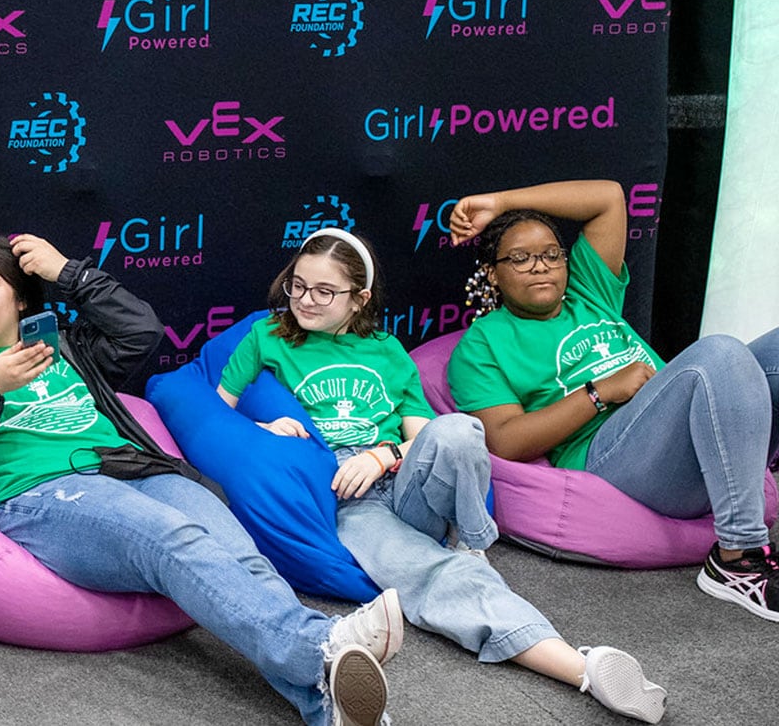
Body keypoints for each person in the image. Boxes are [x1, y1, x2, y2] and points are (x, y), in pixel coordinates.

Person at [0, 233, 402, 726]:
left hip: (132, 468)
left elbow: (141, 331)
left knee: (240, 553)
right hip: (38, 495)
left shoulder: (66, 350)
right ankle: (323, 643)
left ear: (22, 302)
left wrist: (65, 272)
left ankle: (324, 702)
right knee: (168, 537)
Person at [215, 228, 666, 723]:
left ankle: (474, 542)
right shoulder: (268, 337)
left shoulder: (386, 351)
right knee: (438, 576)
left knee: (459, 430)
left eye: (324, 292)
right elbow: (213, 418)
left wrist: (383, 455)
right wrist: (264, 426)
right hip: (347, 498)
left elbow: (424, 436)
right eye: (297, 286)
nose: (304, 300)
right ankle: (583, 668)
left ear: (359, 299)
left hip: (405, 482)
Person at [446, 180, 779, 621]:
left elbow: (607, 198)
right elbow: (505, 441)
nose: (540, 267)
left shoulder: (589, 294)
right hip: (614, 456)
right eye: (520, 258)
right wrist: (600, 392)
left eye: (550, 255)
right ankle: (738, 561)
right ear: (492, 272)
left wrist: (500, 201)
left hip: (683, 432)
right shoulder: (481, 345)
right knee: (716, 355)